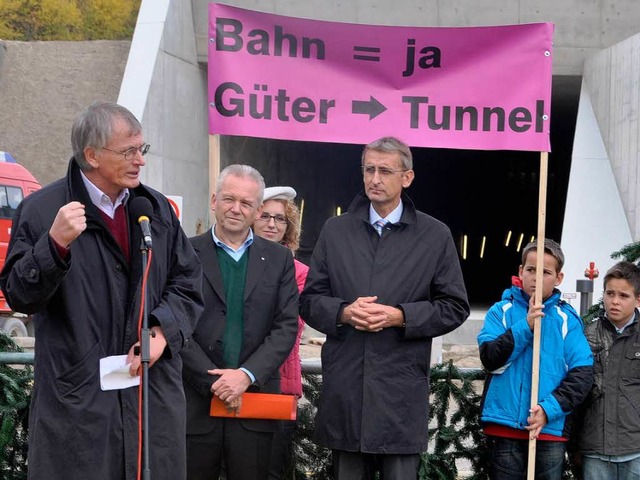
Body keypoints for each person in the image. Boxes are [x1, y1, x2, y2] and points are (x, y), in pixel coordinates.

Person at [0, 101, 204, 480]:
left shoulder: (154, 209)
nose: (139, 161)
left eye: (141, 149)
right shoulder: (44, 210)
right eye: (128, 151)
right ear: (92, 155)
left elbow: (188, 284)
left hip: (149, 399)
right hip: (79, 405)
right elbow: (18, 295)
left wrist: (162, 332)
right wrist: (53, 246)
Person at [299, 136, 470, 480]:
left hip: (400, 393)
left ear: (407, 178)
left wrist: (401, 317)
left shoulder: (435, 235)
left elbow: (454, 306)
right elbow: (310, 300)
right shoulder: (336, 231)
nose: (375, 179)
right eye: (369, 169)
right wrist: (344, 312)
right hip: (347, 388)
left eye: (385, 171)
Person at [181, 165, 299, 480]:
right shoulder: (184, 253)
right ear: (214, 200)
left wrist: (245, 376)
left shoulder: (279, 260)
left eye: (246, 203)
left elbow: (285, 327)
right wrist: (215, 381)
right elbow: (177, 324)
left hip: (255, 404)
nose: (236, 209)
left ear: (258, 209)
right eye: (229, 199)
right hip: (195, 405)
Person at [478, 239, 593, 480]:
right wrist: (527, 325)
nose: (536, 278)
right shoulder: (501, 312)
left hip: (550, 428)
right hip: (506, 425)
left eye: (545, 272)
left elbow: (581, 375)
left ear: (559, 278)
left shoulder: (567, 320)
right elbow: (490, 358)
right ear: (521, 272)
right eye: (531, 270)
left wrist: (547, 410)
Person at [252, 185, 309, 479]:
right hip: (230, 383)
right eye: (265, 216)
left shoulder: (299, 272)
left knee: (271, 470)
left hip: (279, 386)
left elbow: (287, 325)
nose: (272, 224)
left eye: (280, 218)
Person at [576, 261, 640, 479]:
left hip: (636, 451)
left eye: (623, 296)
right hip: (595, 451)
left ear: (638, 299)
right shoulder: (586, 335)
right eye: (610, 293)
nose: (614, 301)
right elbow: (575, 392)